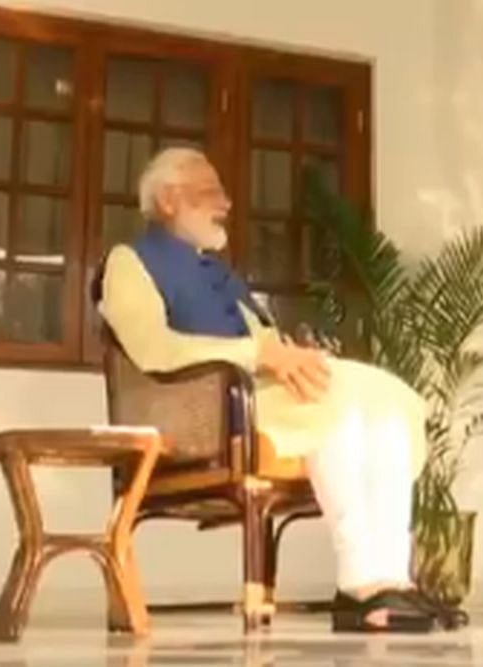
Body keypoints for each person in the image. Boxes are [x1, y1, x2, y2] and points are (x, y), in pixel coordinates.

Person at [97, 147, 438, 633]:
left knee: (382, 401)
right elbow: (154, 350)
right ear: (169, 200)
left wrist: (292, 354)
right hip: (212, 412)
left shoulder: (220, 273)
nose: (226, 204)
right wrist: (261, 355)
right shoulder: (129, 262)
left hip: (263, 394)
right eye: (211, 192)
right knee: (334, 406)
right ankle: (361, 584)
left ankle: (393, 579)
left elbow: (265, 343)